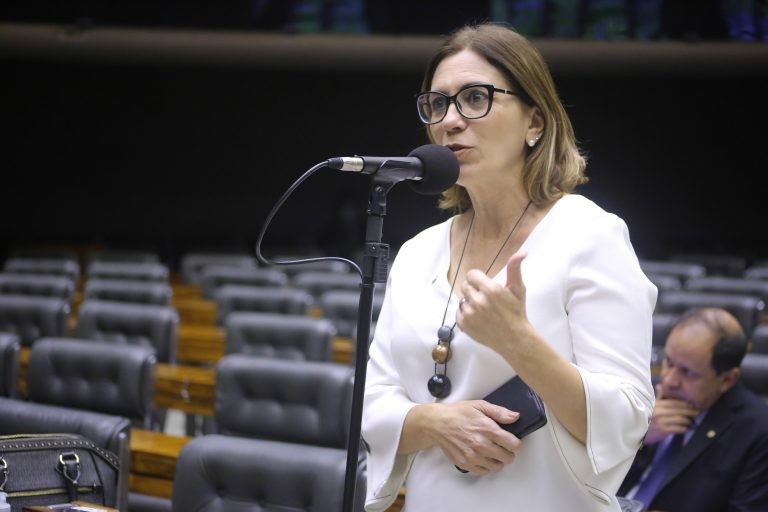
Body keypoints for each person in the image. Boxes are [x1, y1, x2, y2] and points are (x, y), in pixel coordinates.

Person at [361, 22, 657, 512]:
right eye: (437, 104)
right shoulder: (417, 252)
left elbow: (626, 418)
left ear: (535, 122)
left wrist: (518, 342)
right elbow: (373, 401)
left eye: (475, 98)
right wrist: (438, 423)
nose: (450, 121)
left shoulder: (591, 235)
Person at [619, 308, 768, 511]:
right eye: (668, 362)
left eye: (687, 373)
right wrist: (637, 435)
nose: (669, 380)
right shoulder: (643, 393)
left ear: (726, 379)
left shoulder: (757, 431)